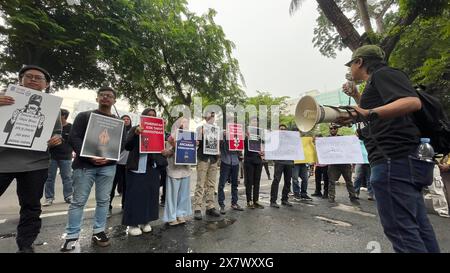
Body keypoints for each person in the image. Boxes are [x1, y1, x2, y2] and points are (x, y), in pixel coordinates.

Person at [342, 44, 440, 253]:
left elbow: (412, 102)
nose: (350, 70)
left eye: (351, 65)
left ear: (359, 62)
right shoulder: (378, 81)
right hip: (401, 160)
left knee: (401, 231)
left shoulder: (383, 75)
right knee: (418, 227)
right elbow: (378, 112)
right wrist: (358, 98)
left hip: (391, 161)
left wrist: (366, 114)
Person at [0, 65, 62, 253]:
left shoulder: (52, 108)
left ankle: (26, 244)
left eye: (38, 78)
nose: (33, 80)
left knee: (31, 206)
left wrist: (56, 139)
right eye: (29, 76)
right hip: (3, 162)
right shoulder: (5, 99)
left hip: (36, 164)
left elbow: (57, 133)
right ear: (20, 80)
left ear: (46, 84)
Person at [60, 87, 125, 252]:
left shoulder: (118, 122)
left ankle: (99, 231)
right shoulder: (85, 116)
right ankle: (72, 236)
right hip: (84, 166)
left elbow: (121, 144)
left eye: (109, 96)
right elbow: (74, 137)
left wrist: (109, 158)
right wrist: (89, 156)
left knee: (103, 201)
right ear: (97, 98)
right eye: (102, 95)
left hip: (108, 166)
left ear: (114, 101)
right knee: (78, 201)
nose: (106, 98)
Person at [121, 108, 160, 236]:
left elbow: (160, 149)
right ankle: (133, 223)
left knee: (149, 195)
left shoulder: (158, 130)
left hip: (151, 168)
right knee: (135, 195)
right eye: (149, 115)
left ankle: (145, 221)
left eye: (154, 115)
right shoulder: (135, 129)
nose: (152, 117)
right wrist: (136, 134)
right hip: (137, 167)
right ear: (143, 117)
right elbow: (127, 146)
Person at [162, 117, 193, 226]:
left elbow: (191, 153)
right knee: (172, 194)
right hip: (174, 169)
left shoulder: (190, 136)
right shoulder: (171, 137)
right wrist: (175, 146)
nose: (185, 124)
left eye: (186, 122)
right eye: (183, 122)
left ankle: (180, 214)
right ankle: (171, 216)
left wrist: (195, 145)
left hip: (185, 169)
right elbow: (166, 153)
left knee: (183, 194)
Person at [43, 109, 73, 206]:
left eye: (58, 115)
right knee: (49, 178)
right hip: (52, 156)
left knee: (67, 177)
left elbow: (74, 141)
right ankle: (49, 198)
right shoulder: (51, 127)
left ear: (64, 116)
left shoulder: (71, 127)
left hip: (66, 157)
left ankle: (68, 196)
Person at [193, 112, 220, 220]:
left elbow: (217, 143)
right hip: (203, 158)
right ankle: (197, 208)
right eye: (209, 116)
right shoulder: (200, 128)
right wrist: (200, 135)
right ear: (205, 118)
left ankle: (210, 206)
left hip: (213, 159)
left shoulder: (216, 129)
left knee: (212, 184)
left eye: (213, 116)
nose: (211, 118)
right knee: (200, 184)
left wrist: (218, 154)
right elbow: (196, 143)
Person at [326, 124, 360, 205]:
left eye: (335, 128)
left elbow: (351, 147)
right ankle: (331, 197)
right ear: (329, 130)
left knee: (349, 181)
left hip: (345, 163)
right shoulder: (325, 140)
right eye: (331, 128)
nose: (333, 130)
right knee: (331, 181)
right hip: (333, 164)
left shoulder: (343, 138)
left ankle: (353, 197)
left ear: (337, 129)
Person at [109, 115, 132, 215]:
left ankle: (125, 206)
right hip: (116, 163)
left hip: (128, 164)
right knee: (112, 186)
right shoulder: (116, 131)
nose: (126, 120)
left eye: (128, 119)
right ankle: (108, 206)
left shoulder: (133, 132)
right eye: (124, 119)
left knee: (127, 187)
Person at [218, 129, 244, 214]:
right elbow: (218, 145)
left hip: (235, 162)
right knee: (222, 184)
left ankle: (234, 203)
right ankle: (221, 205)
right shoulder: (223, 136)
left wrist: (240, 142)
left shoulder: (237, 137)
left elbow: (240, 152)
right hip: (225, 161)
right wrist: (223, 134)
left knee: (235, 184)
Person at [244, 117, 264, 209]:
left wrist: (263, 151)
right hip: (249, 160)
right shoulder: (246, 133)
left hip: (258, 160)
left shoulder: (260, 134)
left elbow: (262, 146)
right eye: (253, 121)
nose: (255, 122)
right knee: (249, 181)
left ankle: (256, 201)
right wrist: (245, 137)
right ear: (250, 122)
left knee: (257, 181)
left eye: (256, 121)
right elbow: (242, 145)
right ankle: (249, 201)